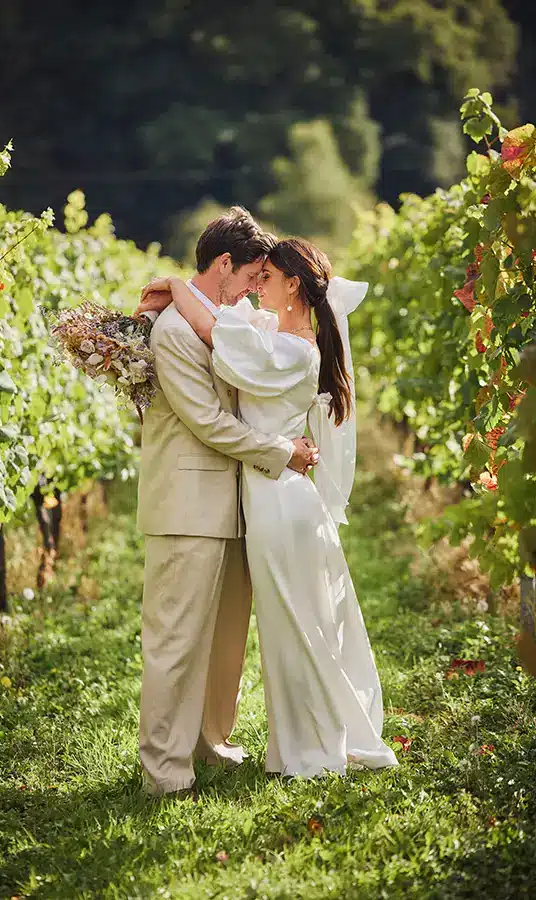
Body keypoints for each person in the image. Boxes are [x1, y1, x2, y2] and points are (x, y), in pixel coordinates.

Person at [139, 237, 398, 778]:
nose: (258, 287)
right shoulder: (276, 333)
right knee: (292, 628)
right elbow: (225, 331)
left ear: (293, 284)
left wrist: (180, 287)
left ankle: (313, 749)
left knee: (297, 628)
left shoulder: (294, 347)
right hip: (269, 492)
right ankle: (301, 744)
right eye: (255, 275)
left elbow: (217, 335)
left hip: (279, 498)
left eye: (267, 277)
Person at [136, 209, 319, 796]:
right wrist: (281, 452)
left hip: (235, 506)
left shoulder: (221, 323)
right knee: (176, 641)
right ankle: (164, 772)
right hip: (187, 507)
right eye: (253, 276)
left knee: (224, 639)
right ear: (224, 266)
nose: (256, 290)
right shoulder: (173, 332)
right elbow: (211, 424)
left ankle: (210, 743)